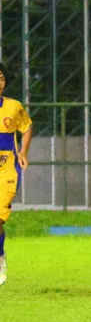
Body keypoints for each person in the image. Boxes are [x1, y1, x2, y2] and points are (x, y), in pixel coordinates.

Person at [0, 63, 32, 287]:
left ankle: (0, 259)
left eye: (1, 77)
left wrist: (22, 152)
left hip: (7, 170)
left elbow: (27, 127)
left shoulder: (14, 107)